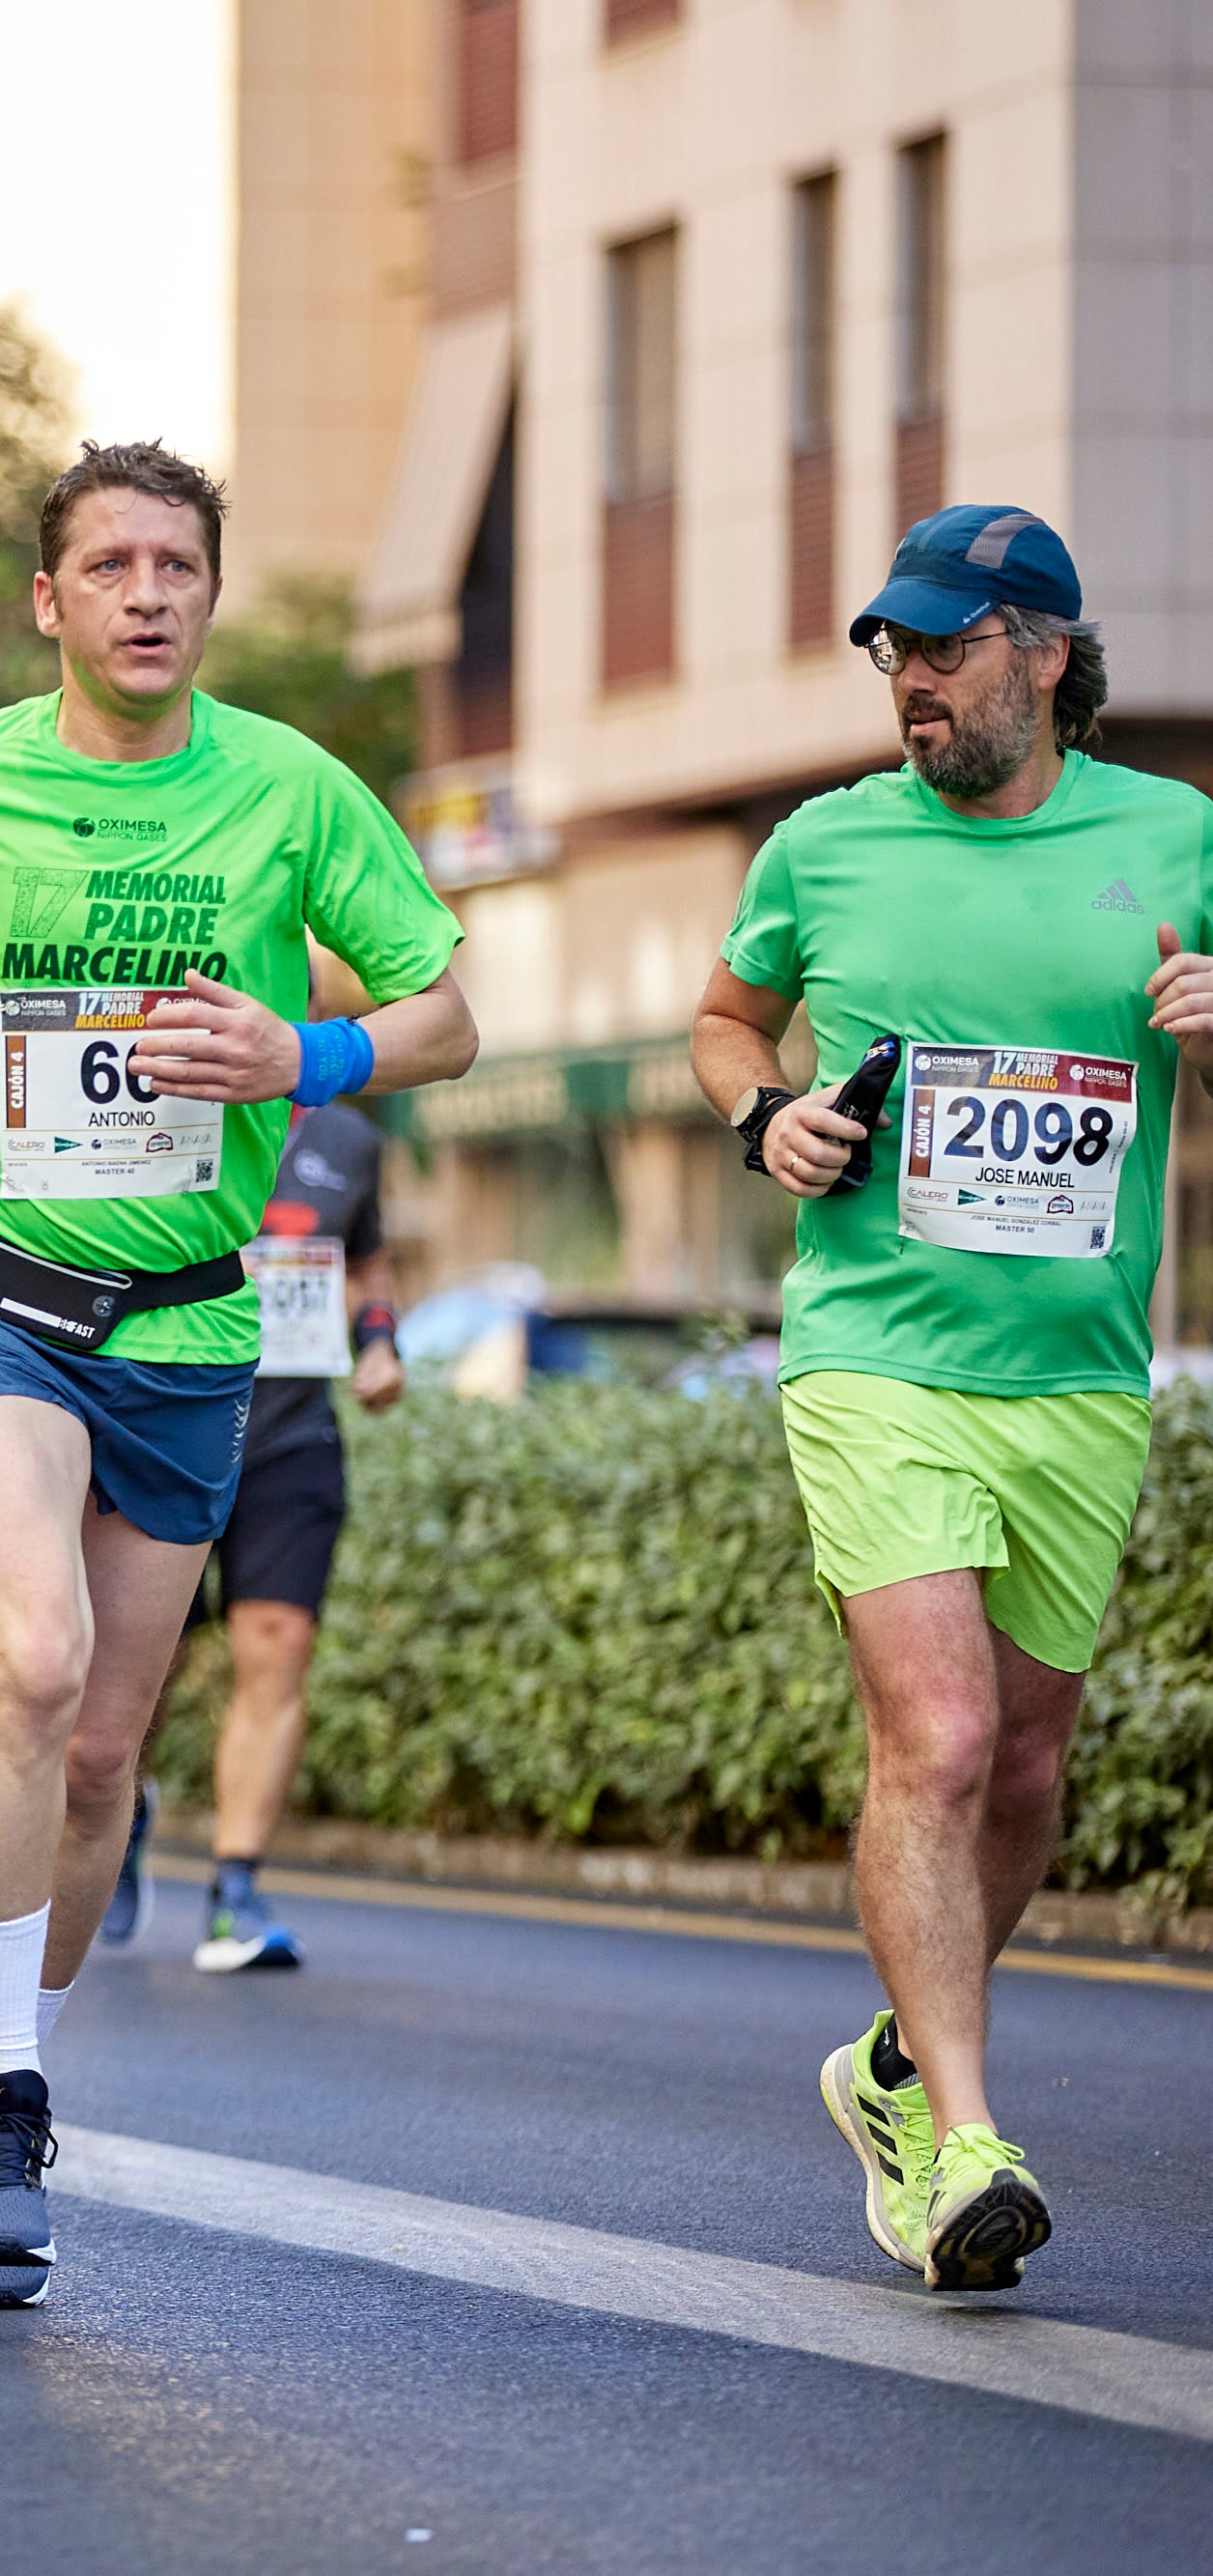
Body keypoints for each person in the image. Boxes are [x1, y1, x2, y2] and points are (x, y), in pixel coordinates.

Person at [0, 440, 474, 2308]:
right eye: (109, 565)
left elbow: (447, 1013)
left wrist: (307, 1056)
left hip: (190, 1323)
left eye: (177, 564)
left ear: (211, 592)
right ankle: (8, 2100)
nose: (147, 593)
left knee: (100, 1752)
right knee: (30, 1658)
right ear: (51, 601)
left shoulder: (293, 788)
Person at [693, 504, 1201, 2297]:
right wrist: (767, 1114)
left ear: (1046, 656)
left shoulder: (1178, 835)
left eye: (945, 645)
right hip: (874, 1353)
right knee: (942, 1735)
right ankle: (964, 2139)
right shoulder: (825, 844)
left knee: (1030, 1762)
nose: (910, 677)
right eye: (892, 649)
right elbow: (724, 1022)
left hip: (1078, 1374)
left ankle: (897, 2063)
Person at [183, 987, 404, 1973]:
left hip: (290, 1429)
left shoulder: (350, 1138)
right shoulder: (153, 1101)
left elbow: (368, 1261)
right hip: (167, 1420)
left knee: (275, 1647)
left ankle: (234, 1887)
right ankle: (113, 1807)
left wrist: (380, 1341)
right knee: (134, 1670)